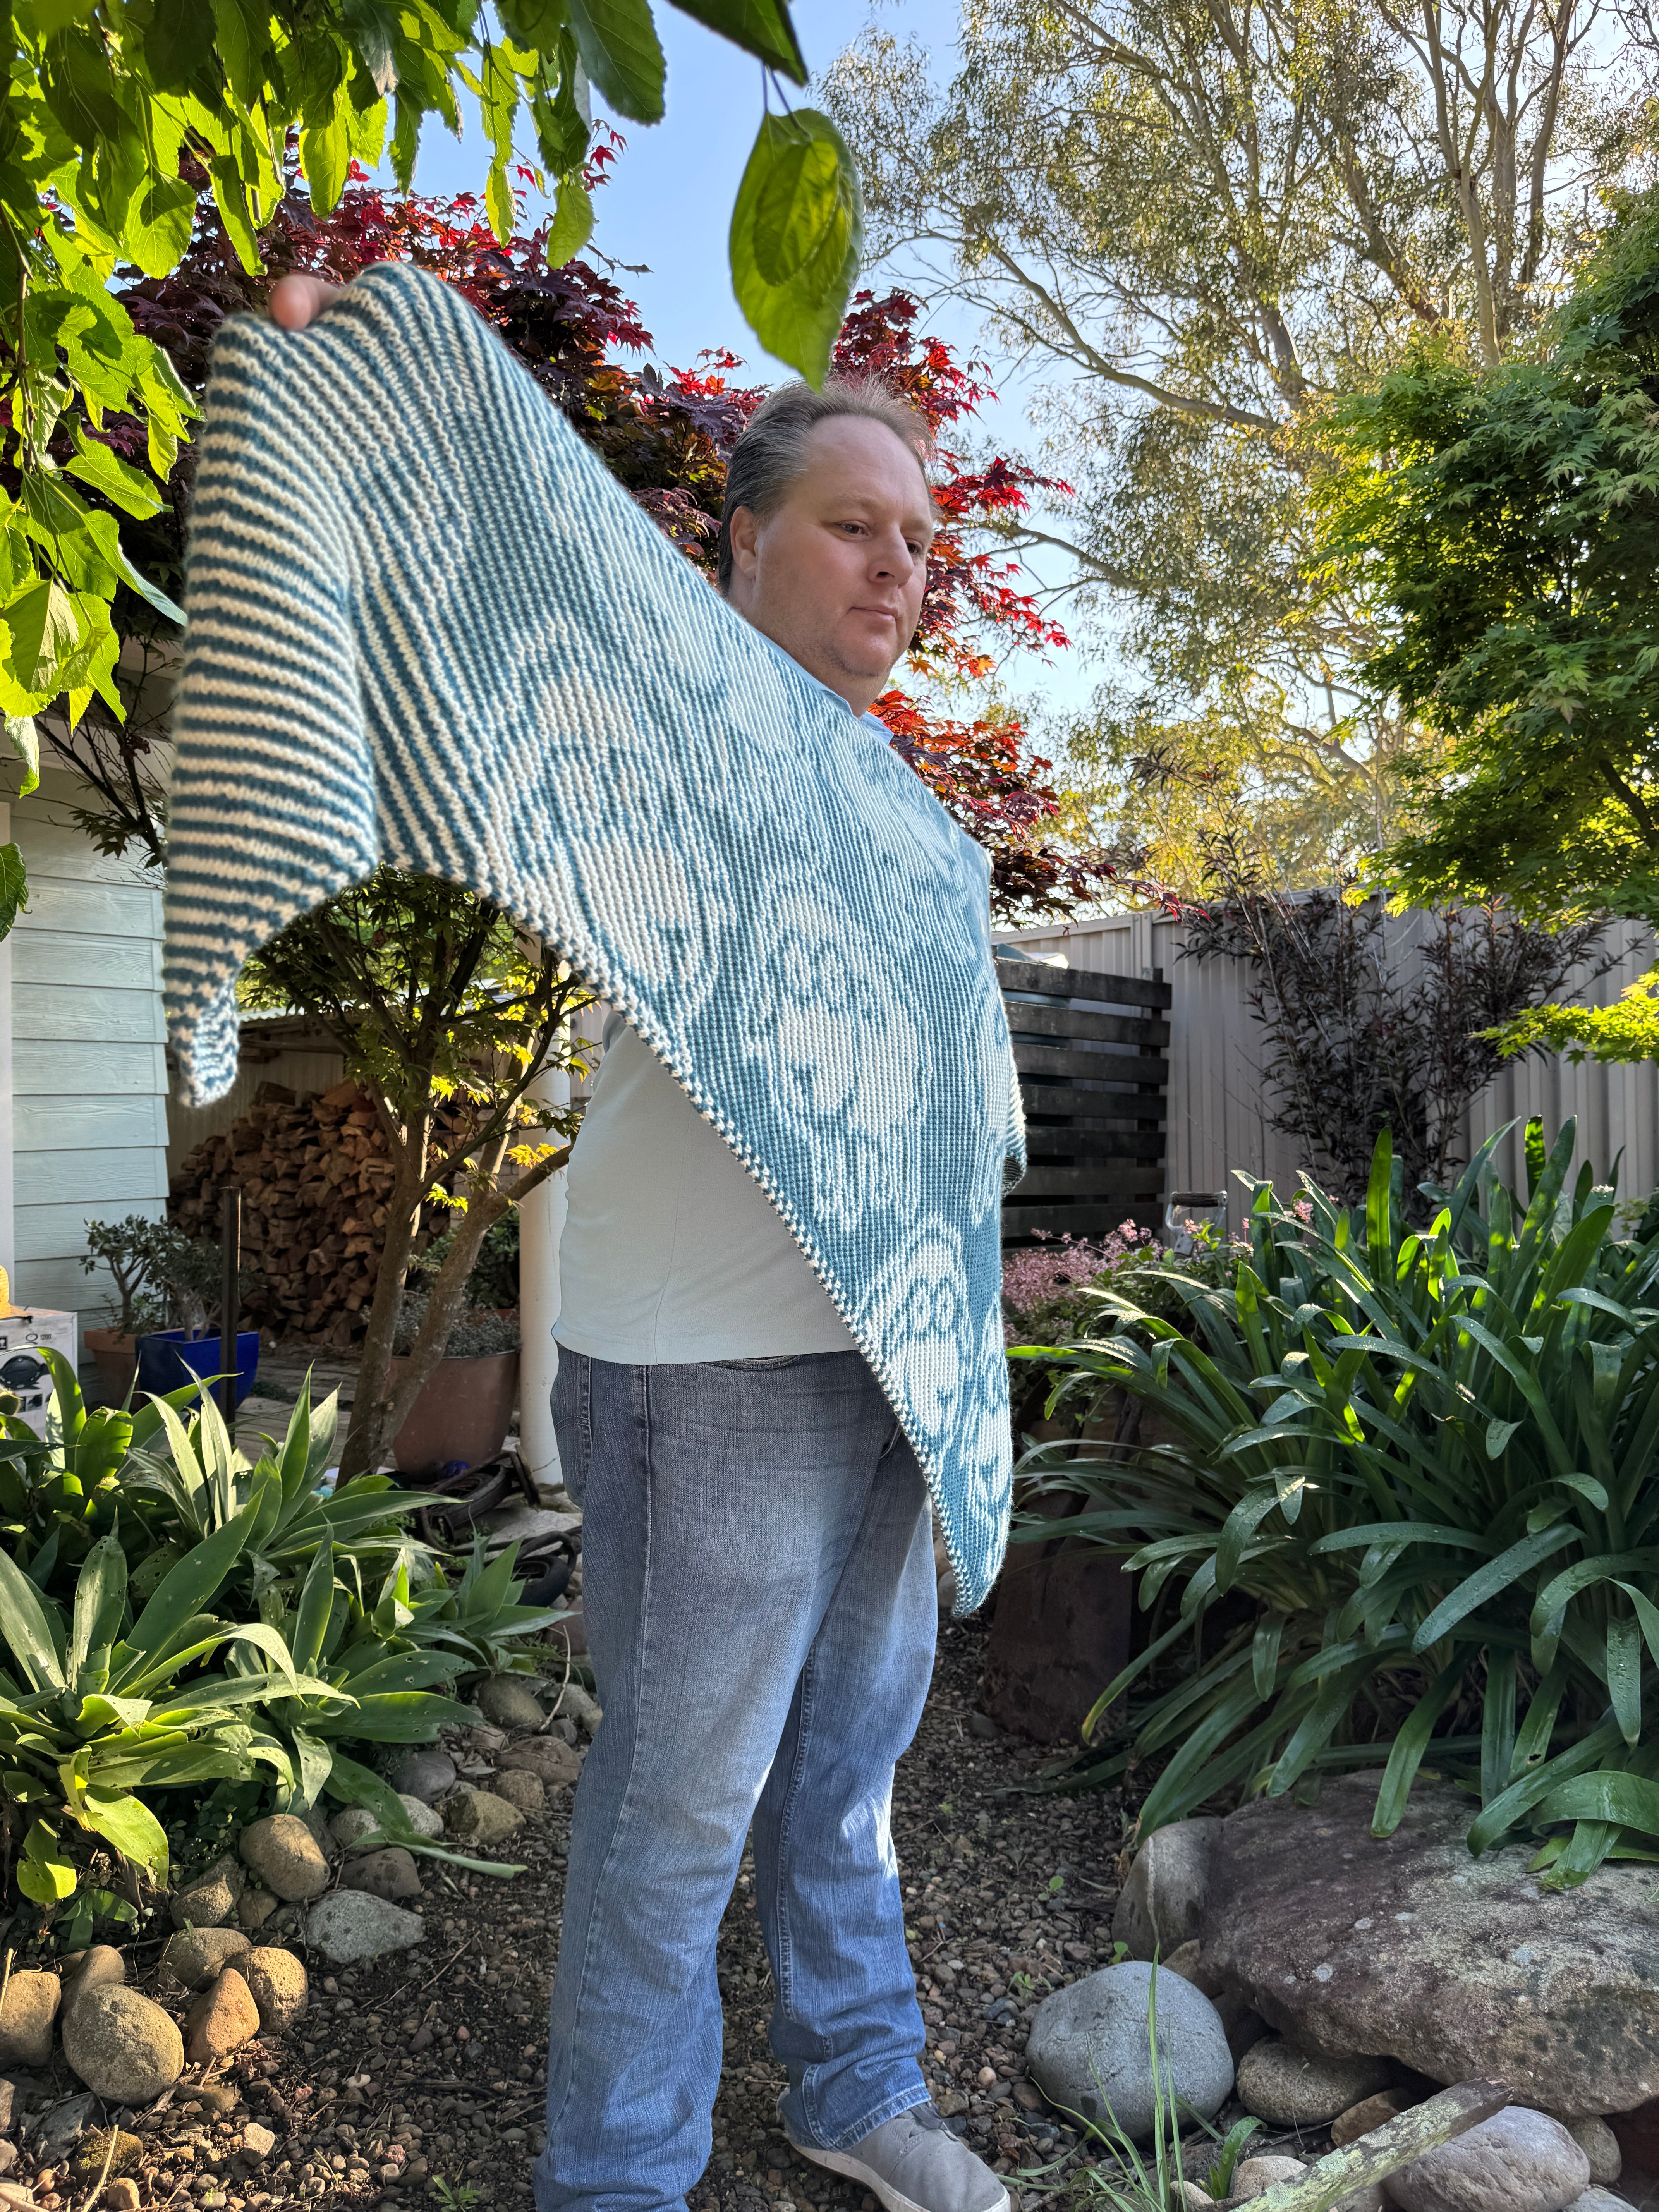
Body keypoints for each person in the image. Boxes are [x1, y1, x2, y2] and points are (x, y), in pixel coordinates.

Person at [271, 273, 1013, 2212]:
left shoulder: (899, 806)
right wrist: (359, 381)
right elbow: (482, 592)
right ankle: (614, 2181)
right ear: (745, 539)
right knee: (682, 1808)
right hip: (704, 1370)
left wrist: (968, 1345)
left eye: (922, 539)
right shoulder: (660, 726)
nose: (900, 568)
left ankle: (856, 2085)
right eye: (854, 525)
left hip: (883, 1367)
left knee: (846, 1774)